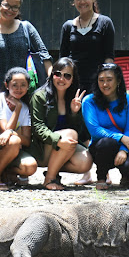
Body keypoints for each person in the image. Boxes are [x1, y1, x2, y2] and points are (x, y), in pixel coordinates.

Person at [26, 58, 93, 191]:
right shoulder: (39, 96)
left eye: (67, 76)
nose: (61, 79)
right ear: (52, 75)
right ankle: (50, 178)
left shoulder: (72, 98)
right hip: (42, 148)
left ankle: (54, 168)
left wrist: (74, 113)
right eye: (58, 74)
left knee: (85, 162)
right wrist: (58, 140)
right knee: (70, 134)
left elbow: (79, 131)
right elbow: (38, 128)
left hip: (64, 148)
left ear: (73, 79)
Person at [82, 63, 129, 190]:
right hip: (101, 147)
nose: (105, 84)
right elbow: (95, 131)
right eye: (101, 80)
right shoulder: (89, 101)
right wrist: (121, 138)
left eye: (109, 80)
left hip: (124, 145)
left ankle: (125, 178)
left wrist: (123, 150)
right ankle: (101, 177)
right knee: (107, 143)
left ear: (118, 81)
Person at [0, 67, 38, 191]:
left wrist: (19, 108)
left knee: (30, 166)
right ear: (7, 85)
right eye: (15, 85)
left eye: (23, 85)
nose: (19, 89)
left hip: (7, 150)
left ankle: (5, 171)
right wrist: (17, 109)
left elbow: (26, 140)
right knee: (13, 140)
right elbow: (5, 132)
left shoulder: (24, 108)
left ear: (28, 87)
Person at [59, 0, 115, 93]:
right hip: (73, 84)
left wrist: (106, 82)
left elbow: (109, 57)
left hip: (97, 84)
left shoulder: (105, 23)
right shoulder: (68, 26)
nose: (82, 2)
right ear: (73, 1)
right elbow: (63, 58)